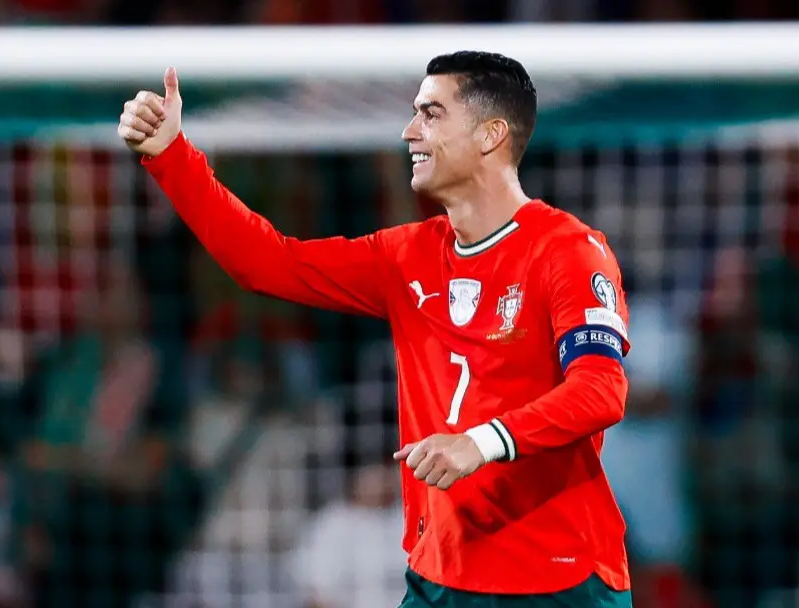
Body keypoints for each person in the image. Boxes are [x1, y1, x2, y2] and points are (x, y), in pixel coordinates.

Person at [117, 51, 633, 606]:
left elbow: (601, 390)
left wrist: (483, 442)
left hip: (556, 578)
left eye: (431, 114)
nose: (410, 131)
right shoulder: (406, 256)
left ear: (491, 134)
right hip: (441, 576)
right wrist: (173, 157)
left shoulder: (570, 251)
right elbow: (266, 263)